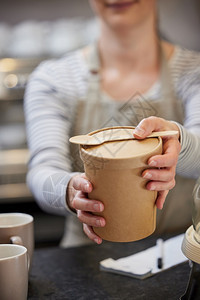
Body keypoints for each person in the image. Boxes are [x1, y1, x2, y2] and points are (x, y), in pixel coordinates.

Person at [24, 0, 200, 247]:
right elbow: (41, 172)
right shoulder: (54, 79)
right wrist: (70, 190)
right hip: (86, 260)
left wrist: (179, 142)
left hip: (176, 257)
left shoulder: (194, 72)